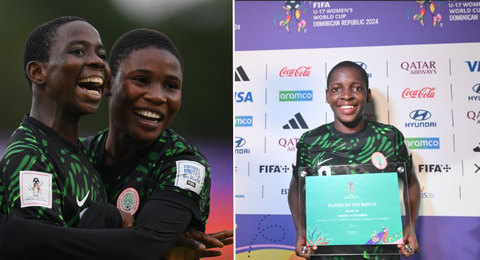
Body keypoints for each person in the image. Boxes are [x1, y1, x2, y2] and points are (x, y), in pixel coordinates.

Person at [0, 18, 231, 259]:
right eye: (141, 80)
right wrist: (114, 223)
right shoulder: (49, 154)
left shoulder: (183, 164)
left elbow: (145, 243)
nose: (157, 96)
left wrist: (9, 231)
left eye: (171, 86)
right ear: (110, 84)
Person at [0, 15, 130, 228]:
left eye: (102, 55)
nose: (98, 61)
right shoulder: (29, 156)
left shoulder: (87, 156)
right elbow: (38, 246)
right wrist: (106, 217)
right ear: (38, 72)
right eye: (78, 51)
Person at [287, 61, 421, 260]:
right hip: (326, 254)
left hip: (381, 254)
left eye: (356, 88)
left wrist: (410, 225)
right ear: (327, 96)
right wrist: (301, 230)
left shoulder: (389, 137)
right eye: (336, 89)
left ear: (367, 95)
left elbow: (411, 183)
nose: (346, 95)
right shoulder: (310, 141)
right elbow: (296, 188)